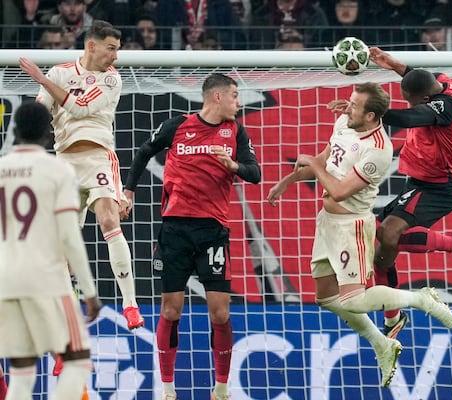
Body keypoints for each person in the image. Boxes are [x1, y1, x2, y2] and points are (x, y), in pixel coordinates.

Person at [267, 82, 452, 388]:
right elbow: (325, 161)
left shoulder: (378, 149)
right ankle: (382, 344)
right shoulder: (343, 122)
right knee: (326, 297)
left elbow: (339, 191)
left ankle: (420, 299)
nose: (345, 107)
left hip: (351, 226)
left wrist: (314, 165)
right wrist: (288, 180)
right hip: (326, 222)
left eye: (354, 105)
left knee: (353, 300)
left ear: (370, 116)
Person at [329, 47, 452, 340]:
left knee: (389, 236)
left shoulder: (447, 108)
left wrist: (365, 112)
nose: (409, 103)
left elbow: (411, 118)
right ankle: (393, 317)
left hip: (439, 188)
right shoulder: (439, 81)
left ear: (425, 100)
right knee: (381, 255)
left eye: (411, 100)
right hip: (417, 184)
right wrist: (392, 64)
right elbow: (417, 77)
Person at [123, 73, 261, 400]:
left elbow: (255, 173)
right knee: (170, 311)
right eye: (234, 96)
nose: (238, 103)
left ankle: (222, 388)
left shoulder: (236, 132)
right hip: (175, 230)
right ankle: (168, 389)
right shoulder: (177, 126)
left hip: (212, 231)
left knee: (221, 313)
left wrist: (233, 166)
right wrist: (128, 192)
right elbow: (144, 151)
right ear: (216, 97)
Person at [18, 19, 144, 330]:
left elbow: (80, 108)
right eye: (111, 49)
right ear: (92, 46)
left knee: (108, 220)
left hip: (98, 158)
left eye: (118, 49)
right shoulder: (60, 72)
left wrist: (40, 79)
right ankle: (69, 323)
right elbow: (40, 111)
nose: (115, 56)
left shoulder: (112, 79)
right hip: (64, 164)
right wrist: (40, 103)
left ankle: (130, 304)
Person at [0, 101, 102, 400]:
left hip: (6, 280)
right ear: (48, 132)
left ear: (15, 130)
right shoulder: (59, 171)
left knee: (21, 373)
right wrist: (88, 291)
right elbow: (70, 237)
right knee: (78, 361)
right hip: (46, 279)